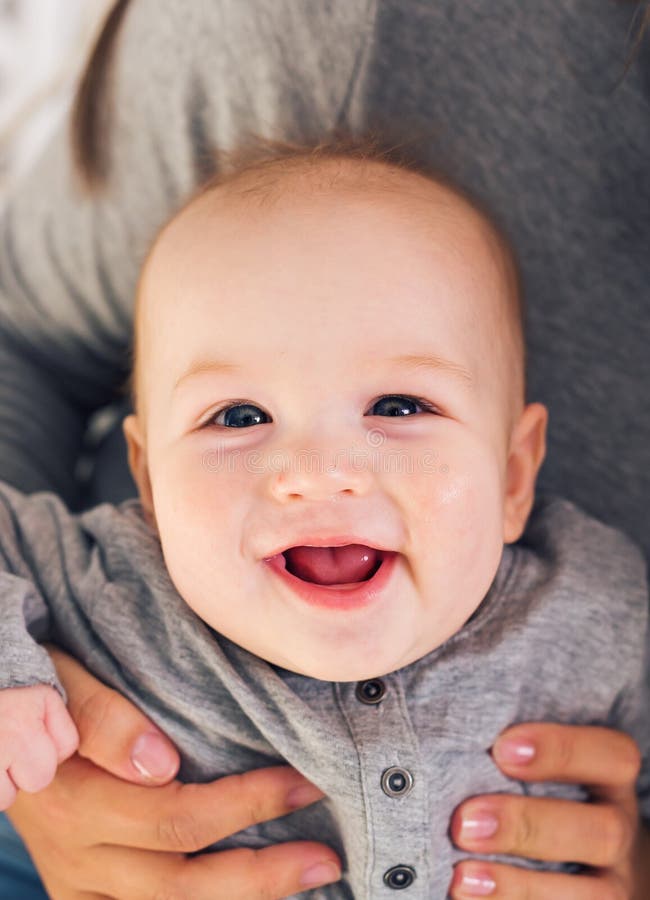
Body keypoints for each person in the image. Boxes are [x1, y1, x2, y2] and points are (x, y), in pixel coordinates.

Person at [1, 2, 648, 898]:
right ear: (150, 479)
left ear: (512, 474)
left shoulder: (598, 613)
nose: (317, 474)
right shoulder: (113, 586)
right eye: (237, 416)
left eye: (398, 405)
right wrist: (16, 695)